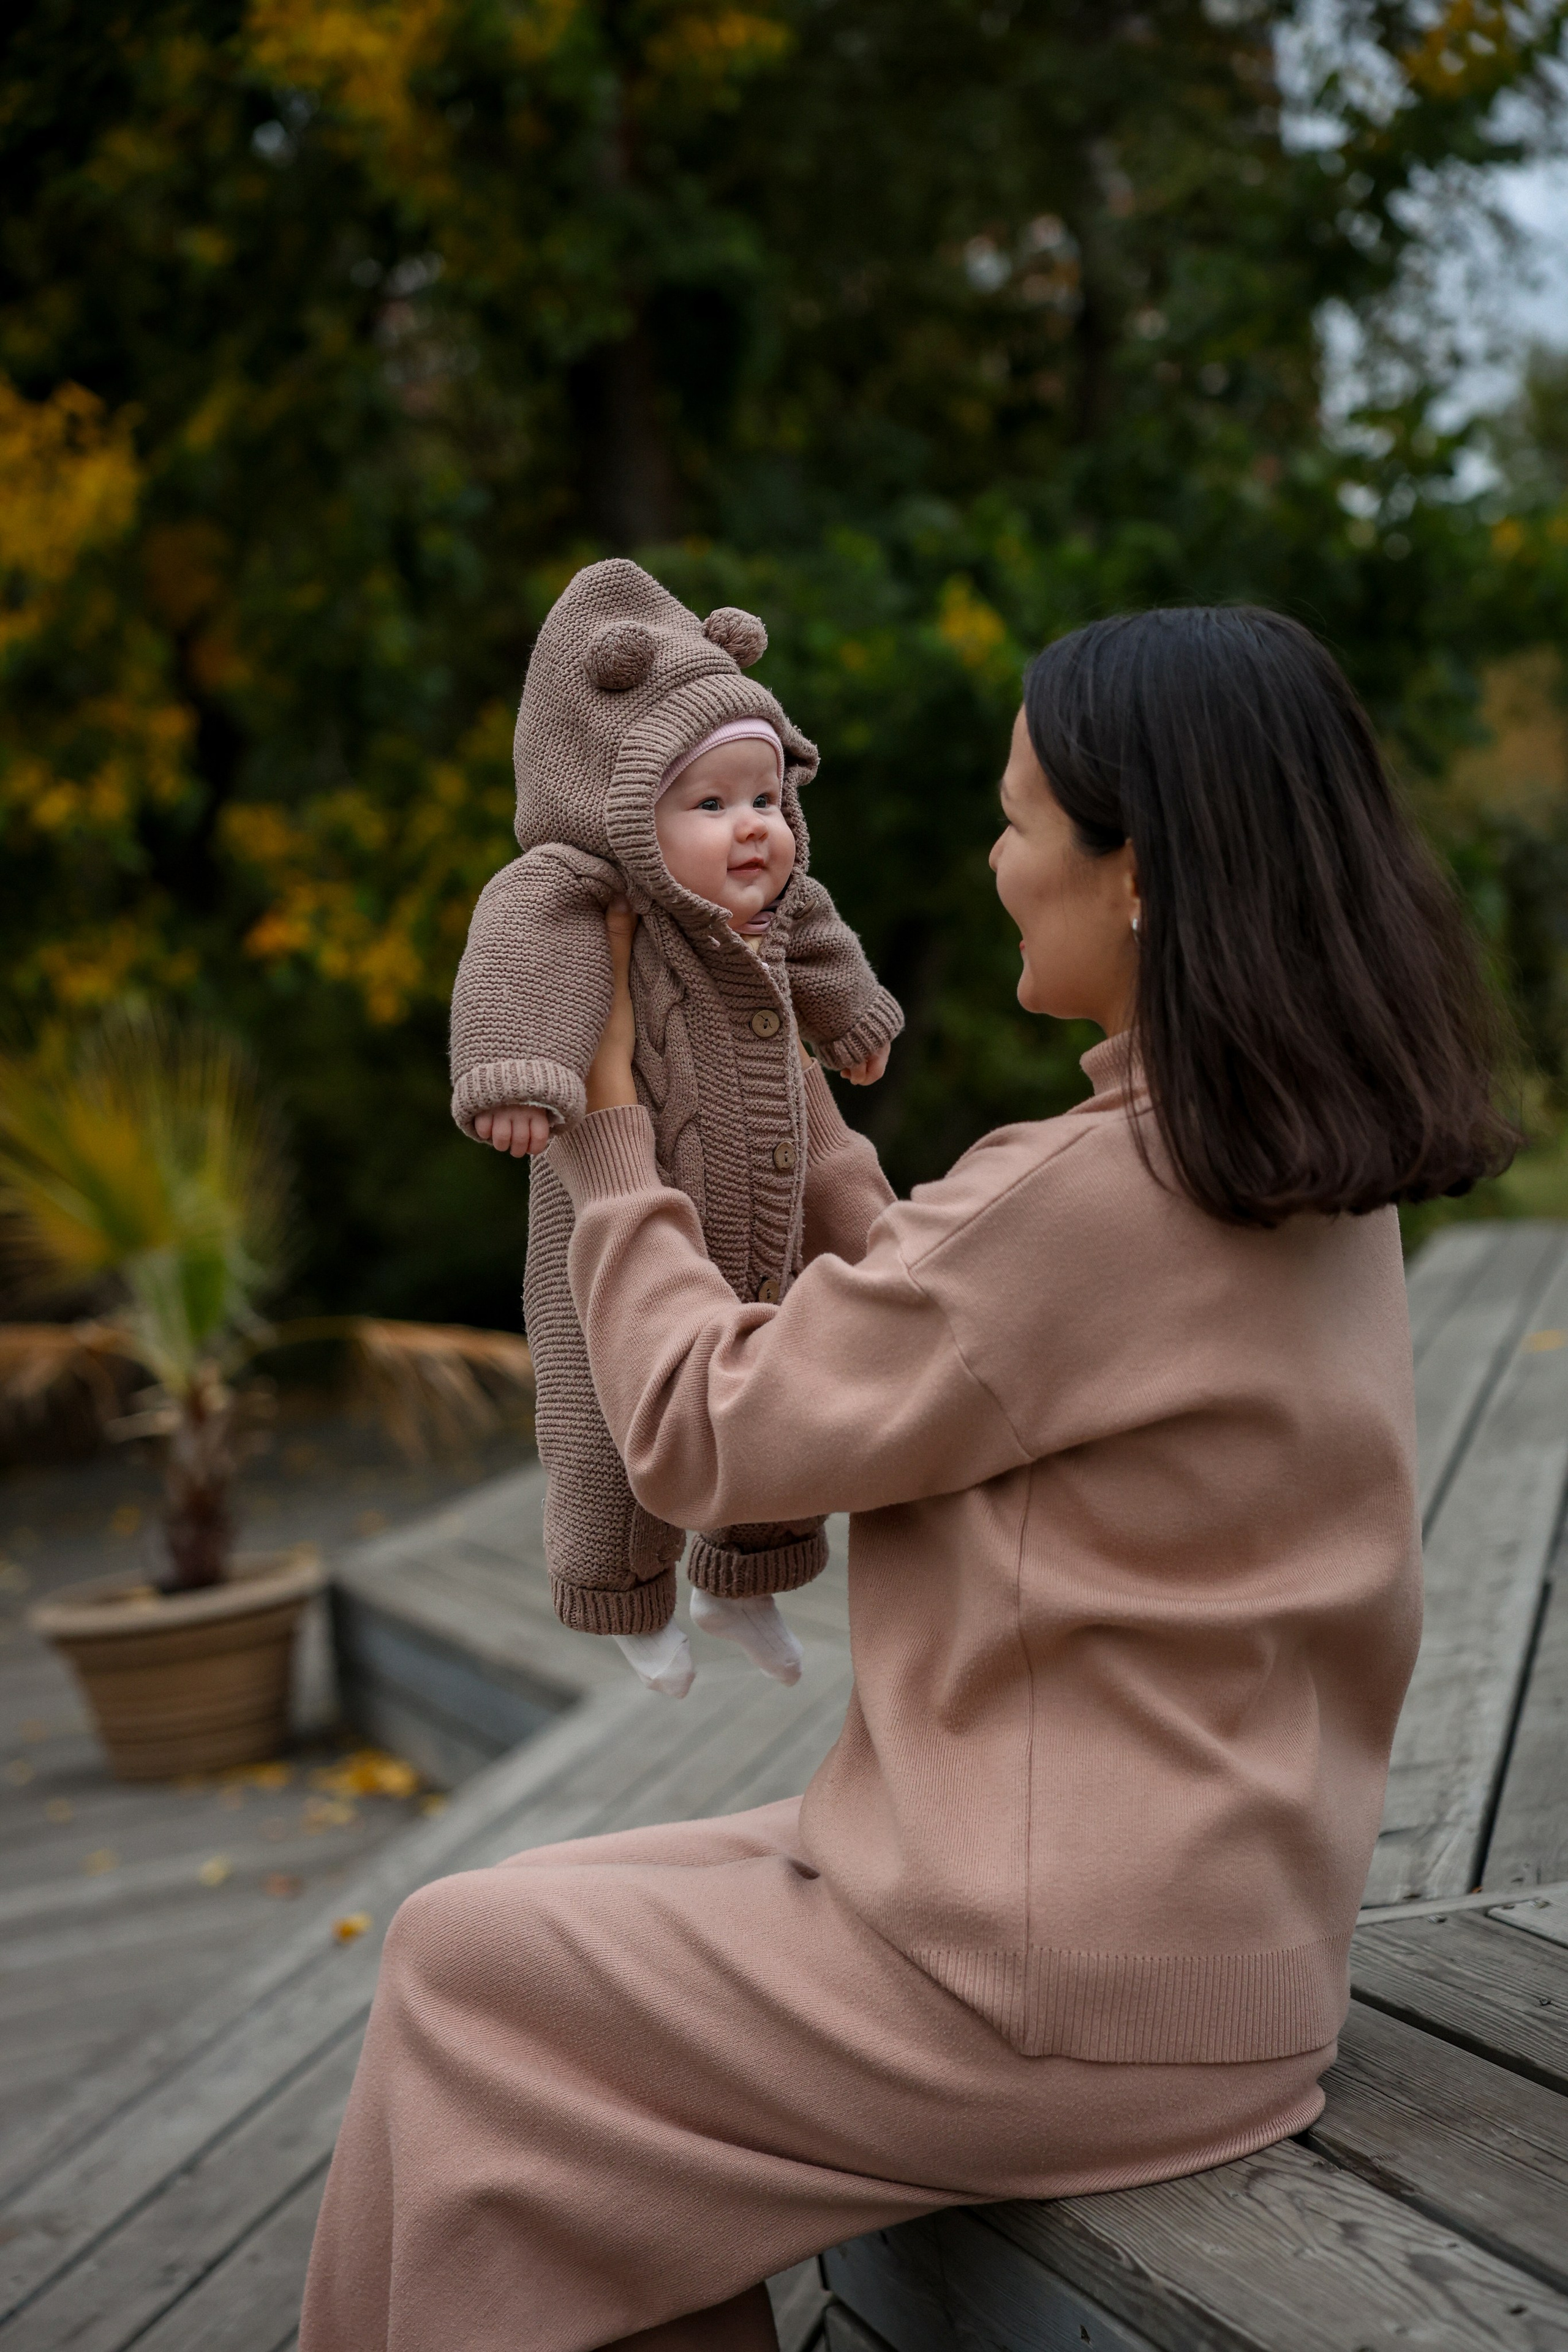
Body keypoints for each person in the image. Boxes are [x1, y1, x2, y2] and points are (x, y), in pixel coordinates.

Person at [300, 607, 1514, 2352]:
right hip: (1207, 1941)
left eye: (1021, 821)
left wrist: (608, 1132)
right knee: (478, 1943)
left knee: (474, 1988)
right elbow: (963, 1316)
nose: (994, 860)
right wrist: (793, 1109)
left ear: (1144, 876)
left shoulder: (1104, 1200)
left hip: (1055, 1993)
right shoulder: (1286, 1162)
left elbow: (706, 1425)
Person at [449, 557, 902, 1699]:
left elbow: (823, 944)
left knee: (781, 1398)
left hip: (772, 1206)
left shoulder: (778, 902)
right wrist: (518, 1074)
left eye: (765, 800)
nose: (753, 830)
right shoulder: (576, 893)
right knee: (609, 1431)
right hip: (614, 1223)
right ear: (619, 805)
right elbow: (514, 960)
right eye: (710, 805)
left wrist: (852, 1018)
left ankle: (745, 1581)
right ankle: (626, 1596)